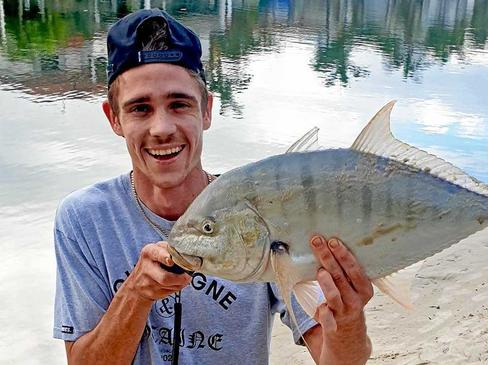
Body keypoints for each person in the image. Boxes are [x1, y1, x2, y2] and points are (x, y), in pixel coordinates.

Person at [53, 9, 373, 365]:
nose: (162, 128)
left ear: (206, 110)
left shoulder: (258, 212)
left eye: (179, 104)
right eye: (140, 108)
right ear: (114, 118)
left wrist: (347, 322)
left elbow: (338, 359)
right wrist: (136, 294)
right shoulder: (85, 219)